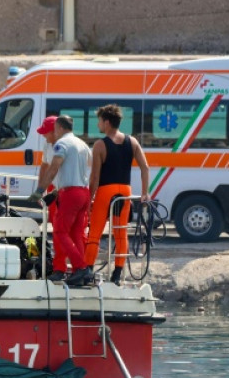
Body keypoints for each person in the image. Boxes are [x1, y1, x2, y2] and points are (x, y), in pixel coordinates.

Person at [85, 104, 150, 285]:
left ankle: (88, 270)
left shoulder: (100, 145)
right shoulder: (132, 141)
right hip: (125, 192)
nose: (98, 124)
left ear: (106, 122)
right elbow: (145, 167)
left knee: (95, 233)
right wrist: (144, 193)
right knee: (121, 233)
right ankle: (117, 273)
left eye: (99, 121)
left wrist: (90, 198)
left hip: (106, 190)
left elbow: (95, 177)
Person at [29, 115, 93, 286]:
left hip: (70, 193)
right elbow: (90, 167)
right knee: (76, 234)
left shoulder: (61, 144)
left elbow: (53, 168)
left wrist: (39, 190)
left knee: (60, 232)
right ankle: (83, 272)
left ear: (59, 128)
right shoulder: (83, 144)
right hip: (83, 192)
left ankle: (80, 267)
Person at [34, 115, 64, 279]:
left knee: (67, 230)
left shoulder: (64, 146)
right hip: (54, 188)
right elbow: (44, 167)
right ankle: (59, 265)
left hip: (65, 188)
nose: (44, 136)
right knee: (56, 227)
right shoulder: (48, 145)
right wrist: (41, 191)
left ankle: (73, 266)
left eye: (46, 132)